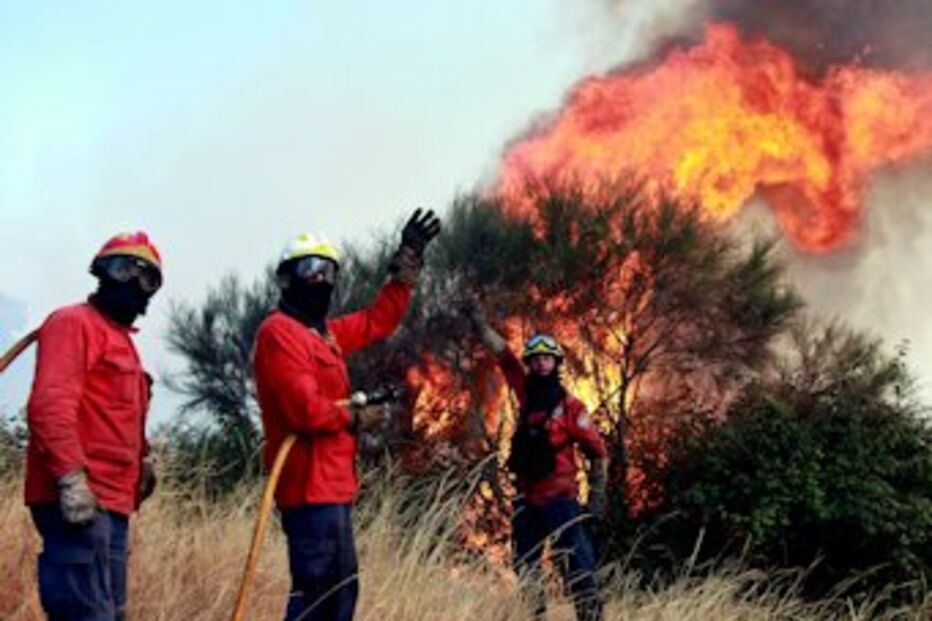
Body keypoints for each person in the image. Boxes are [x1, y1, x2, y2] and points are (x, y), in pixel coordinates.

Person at [253, 209, 441, 621]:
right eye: (309, 268)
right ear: (285, 278)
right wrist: (355, 417)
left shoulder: (325, 334)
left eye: (328, 270)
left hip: (333, 486)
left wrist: (405, 267)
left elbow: (378, 320)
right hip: (307, 487)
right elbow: (304, 411)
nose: (320, 278)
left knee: (339, 596)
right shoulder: (280, 332)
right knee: (318, 596)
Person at [25, 231, 162, 621]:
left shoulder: (121, 341)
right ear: (101, 272)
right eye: (124, 269)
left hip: (113, 506)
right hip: (79, 503)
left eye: (147, 277)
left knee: (110, 614)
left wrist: (143, 461)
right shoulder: (74, 324)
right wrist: (70, 479)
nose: (135, 283)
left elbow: (113, 416)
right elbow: (50, 406)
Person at [466, 304, 607, 621]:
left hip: (562, 503)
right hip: (526, 502)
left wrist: (598, 496)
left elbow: (598, 452)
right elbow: (502, 353)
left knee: (579, 571)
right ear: (530, 364)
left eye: (547, 358)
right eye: (535, 359)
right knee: (527, 571)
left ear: (556, 363)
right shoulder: (526, 391)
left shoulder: (571, 406)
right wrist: (478, 322)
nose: (541, 363)